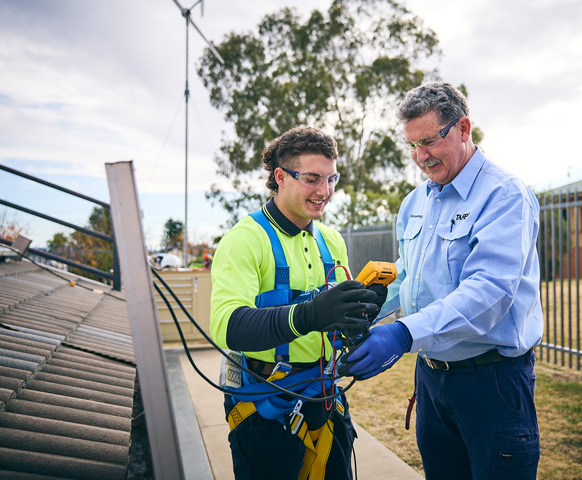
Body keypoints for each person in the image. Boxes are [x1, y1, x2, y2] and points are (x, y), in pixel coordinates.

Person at [344, 82, 544, 479]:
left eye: (430, 142)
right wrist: (364, 304)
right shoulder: (415, 202)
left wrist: (402, 334)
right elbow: (409, 273)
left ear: (463, 128)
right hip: (432, 380)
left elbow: (488, 292)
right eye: (412, 145)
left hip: (492, 383)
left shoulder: (505, 196)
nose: (421, 157)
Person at [209, 126, 380, 480]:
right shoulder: (244, 240)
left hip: (326, 401)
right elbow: (228, 327)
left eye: (332, 179)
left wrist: (357, 318)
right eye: (313, 179)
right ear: (280, 177)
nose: (325, 191)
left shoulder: (332, 242)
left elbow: (337, 324)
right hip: (266, 407)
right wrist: (308, 315)